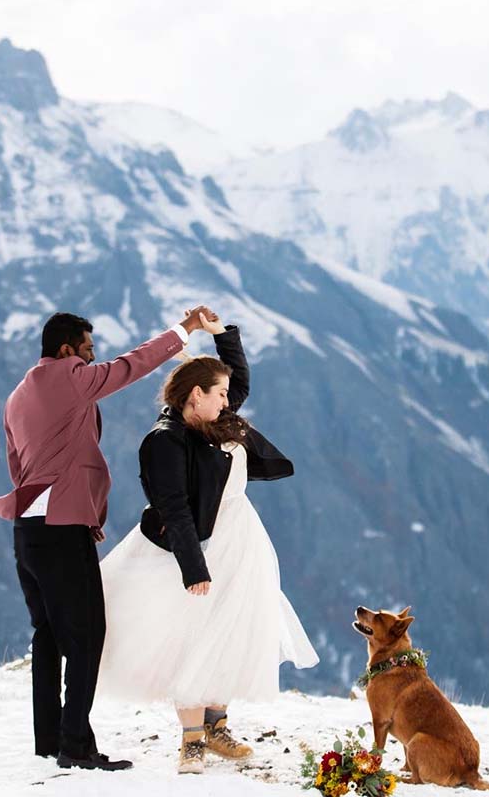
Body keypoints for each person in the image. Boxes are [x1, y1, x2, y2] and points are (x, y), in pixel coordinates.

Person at [0, 307, 213, 772]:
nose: (93, 359)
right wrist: (183, 331)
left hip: (27, 528)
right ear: (67, 350)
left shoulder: (17, 396)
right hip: (61, 530)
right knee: (87, 636)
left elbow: (17, 465)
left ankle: (50, 740)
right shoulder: (69, 379)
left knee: (48, 634)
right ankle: (77, 746)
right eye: (87, 350)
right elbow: (132, 366)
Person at [97, 313, 319, 774]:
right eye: (218, 394)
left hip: (241, 539)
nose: (229, 401)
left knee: (230, 631)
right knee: (190, 635)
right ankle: (192, 740)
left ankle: (217, 726)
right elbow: (174, 508)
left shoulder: (215, 418)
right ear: (195, 396)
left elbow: (237, 380)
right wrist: (193, 567)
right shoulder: (167, 441)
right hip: (194, 545)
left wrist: (222, 336)